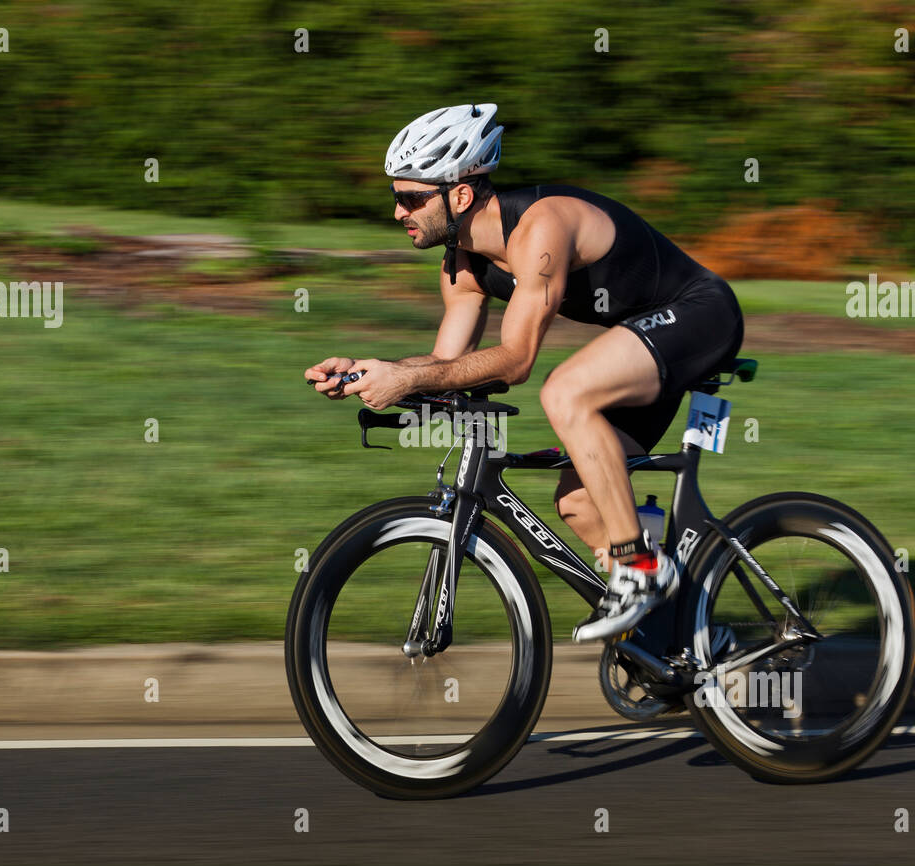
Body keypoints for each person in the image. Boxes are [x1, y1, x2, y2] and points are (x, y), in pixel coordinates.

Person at [304, 103, 744, 643]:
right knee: (580, 501)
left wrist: (408, 379)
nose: (398, 212)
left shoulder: (542, 226)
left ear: (460, 194)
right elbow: (446, 365)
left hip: (700, 314)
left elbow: (515, 360)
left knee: (565, 391)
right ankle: (683, 642)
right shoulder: (461, 266)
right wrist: (375, 371)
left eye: (411, 198)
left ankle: (641, 570)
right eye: (396, 198)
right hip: (638, 341)